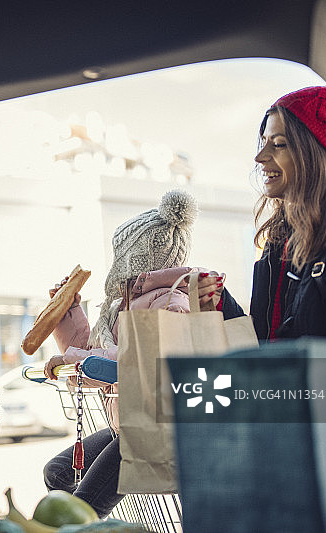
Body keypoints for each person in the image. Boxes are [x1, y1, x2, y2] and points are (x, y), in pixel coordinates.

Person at [197, 85, 326, 519]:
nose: (261, 159)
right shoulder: (280, 241)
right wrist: (218, 302)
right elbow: (266, 344)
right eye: (263, 144)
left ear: (318, 151)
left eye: (278, 145)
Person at [41, 189, 211, 517]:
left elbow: (143, 361)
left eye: (121, 253)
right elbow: (95, 352)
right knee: (58, 474)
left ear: (138, 257)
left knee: (81, 508)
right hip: (128, 424)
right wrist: (67, 314)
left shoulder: (174, 304)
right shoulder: (124, 305)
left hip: (159, 430)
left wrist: (74, 360)